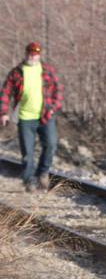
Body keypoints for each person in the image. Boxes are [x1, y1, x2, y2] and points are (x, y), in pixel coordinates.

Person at [0, 41, 63, 192]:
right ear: (26, 53)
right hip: (25, 117)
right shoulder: (17, 72)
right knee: (27, 152)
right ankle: (29, 180)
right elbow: (5, 93)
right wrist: (3, 113)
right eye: (30, 54)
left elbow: (58, 90)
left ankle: (43, 173)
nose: (33, 57)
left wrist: (54, 108)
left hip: (46, 116)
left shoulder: (47, 71)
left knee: (51, 144)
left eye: (36, 54)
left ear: (39, 55)